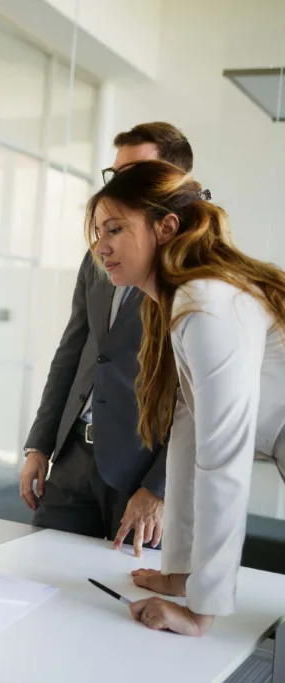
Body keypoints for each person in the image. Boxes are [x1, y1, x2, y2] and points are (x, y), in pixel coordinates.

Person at [86, 159, 285, 636]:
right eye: (96, 232)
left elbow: (224, 459)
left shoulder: (209, 303)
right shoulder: (180, 301)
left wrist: (201, 611)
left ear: (166, 227)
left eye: (115, 228)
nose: (100, 246)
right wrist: (179, 573)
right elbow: (188, 433)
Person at [19, 122, 194, 557]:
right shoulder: (99, 253)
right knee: (40, 570)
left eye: (133, 172)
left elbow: (198, 404)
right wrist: (40, 442)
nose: (119, 184)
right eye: (115, 174)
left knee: (127, 601)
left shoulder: (193, 269)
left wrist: (159, 487)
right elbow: (74, 349)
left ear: (170, 181)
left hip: (142, 465)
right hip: (74, 455)